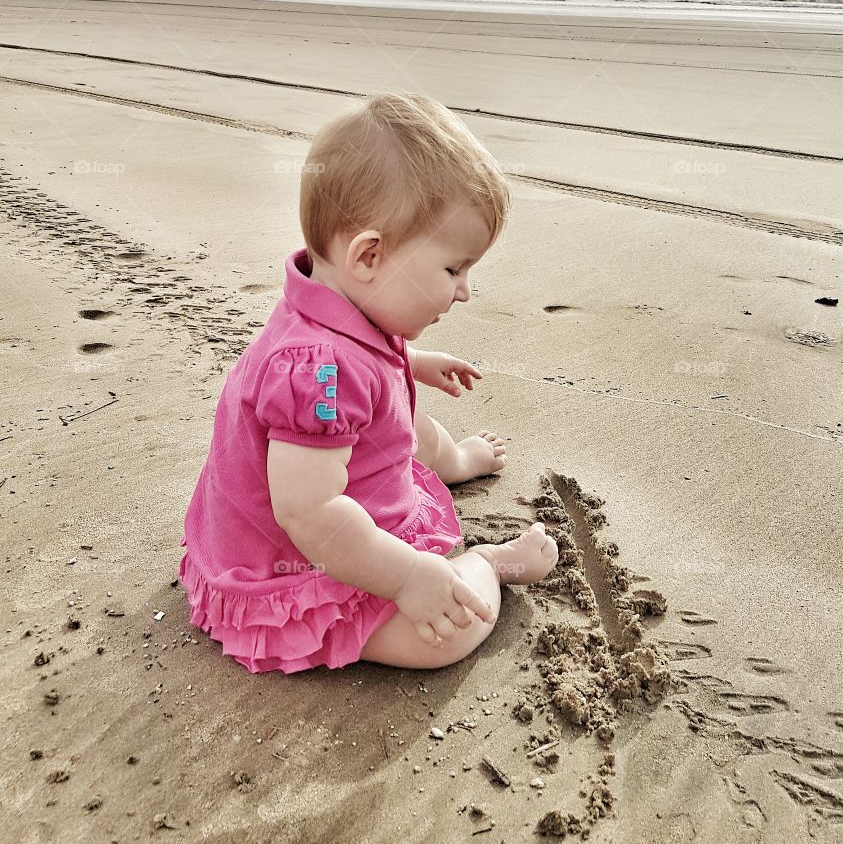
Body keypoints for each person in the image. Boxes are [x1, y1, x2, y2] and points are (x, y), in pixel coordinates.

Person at [178, 91, 558, 674]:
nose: (464, 291)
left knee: (407, 425)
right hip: (293, 561)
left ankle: (453, 461)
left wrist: (412, 360)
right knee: (446, 636)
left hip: (343, 481)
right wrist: (407, 577)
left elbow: (363, 369)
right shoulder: (318, 370)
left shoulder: (338, 305)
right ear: (369, 257)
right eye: (453, 269)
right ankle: (490, 563)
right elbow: (309, 512)